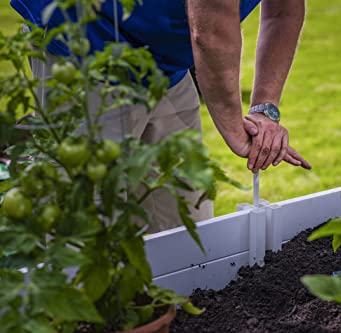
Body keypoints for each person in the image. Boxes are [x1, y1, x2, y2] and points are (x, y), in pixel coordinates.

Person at [10, 0, 311, 232]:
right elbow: (211, 34)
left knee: (186, 219)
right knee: (88, 229)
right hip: (87, 46)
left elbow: (283, 12)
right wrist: (235, 131)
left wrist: (264, 110)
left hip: (166, 66)